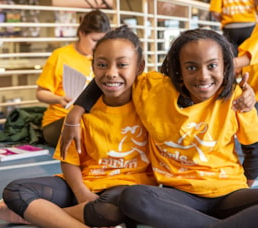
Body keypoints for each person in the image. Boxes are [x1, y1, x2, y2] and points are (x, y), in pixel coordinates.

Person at [60, 28, 258, 227]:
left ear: (225, 67)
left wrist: (246, 183)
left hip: (228, 193)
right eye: (191, 67)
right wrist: (76, 110)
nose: (203, 76)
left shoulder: (238, 98)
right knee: (133, 197)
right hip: (177, 195)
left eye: (212, 66)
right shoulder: (152, 88)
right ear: (178, 69)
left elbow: (254, 148)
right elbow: (107, 76)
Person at [0, 25, 157, 228]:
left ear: (139, 68)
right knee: (15, 191)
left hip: (127, 190)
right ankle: (78, 219)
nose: (111, 73)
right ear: (93, 66)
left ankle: (43, 216)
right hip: (86, 185)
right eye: (102, 65)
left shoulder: (151, 102)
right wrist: (81, 194)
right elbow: (69, 160)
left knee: (113, 207)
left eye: (122, 65)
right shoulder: (81, 113)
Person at [36, 9, 110, 148]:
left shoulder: (104, 59)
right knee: (91, 126)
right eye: (94, 40)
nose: (98, 46)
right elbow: (40, 93)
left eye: (102, 41)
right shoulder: (60, 56)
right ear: (81, 33)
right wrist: (58, 99)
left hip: (91, 116)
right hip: (58, 120)